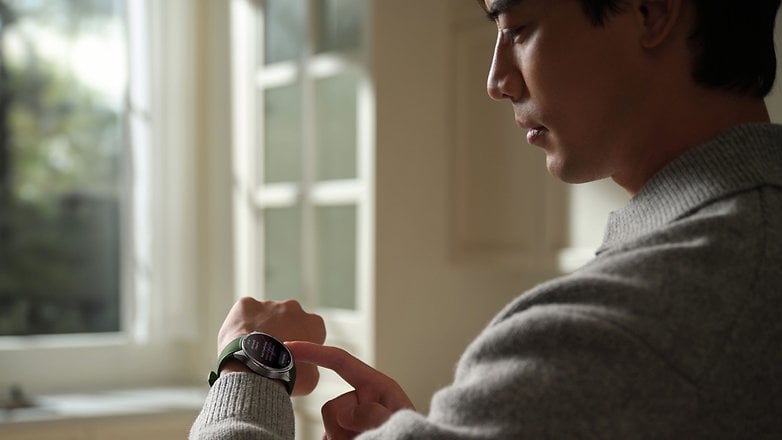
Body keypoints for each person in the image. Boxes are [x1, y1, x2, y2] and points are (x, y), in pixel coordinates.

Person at [191, 0, 782, 438]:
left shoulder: (625, 324)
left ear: (652, 11)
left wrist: (250, 365)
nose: (497, 80)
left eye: (519, 28)